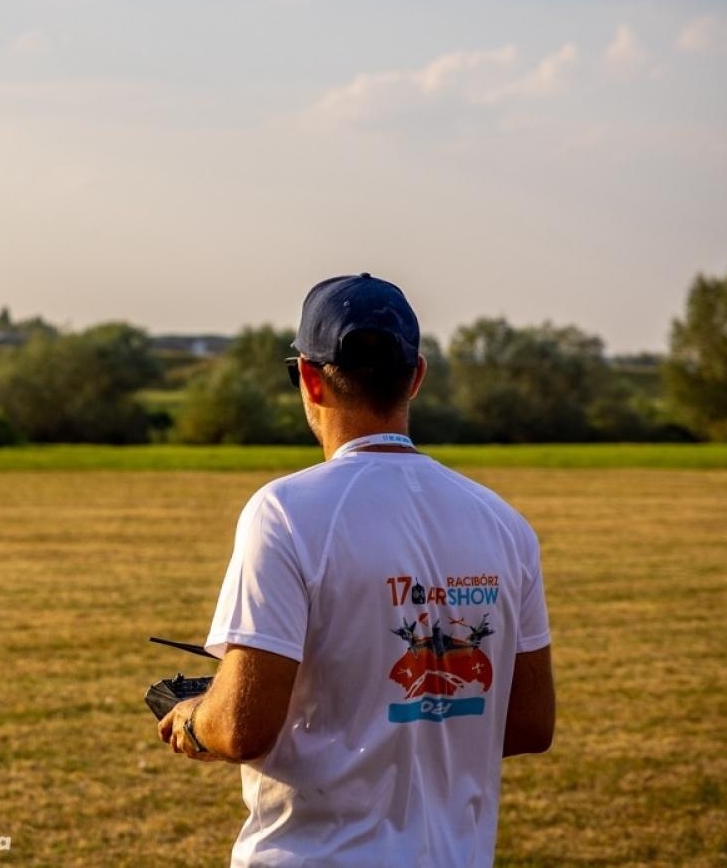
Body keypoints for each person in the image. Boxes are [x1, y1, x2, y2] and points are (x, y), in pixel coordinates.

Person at [157, 273, 554, 867]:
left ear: (310, 379)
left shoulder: (285, 512)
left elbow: (243, 729)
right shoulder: (503, 523)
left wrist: (190, 719)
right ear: (415, 376)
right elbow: (527, 724)